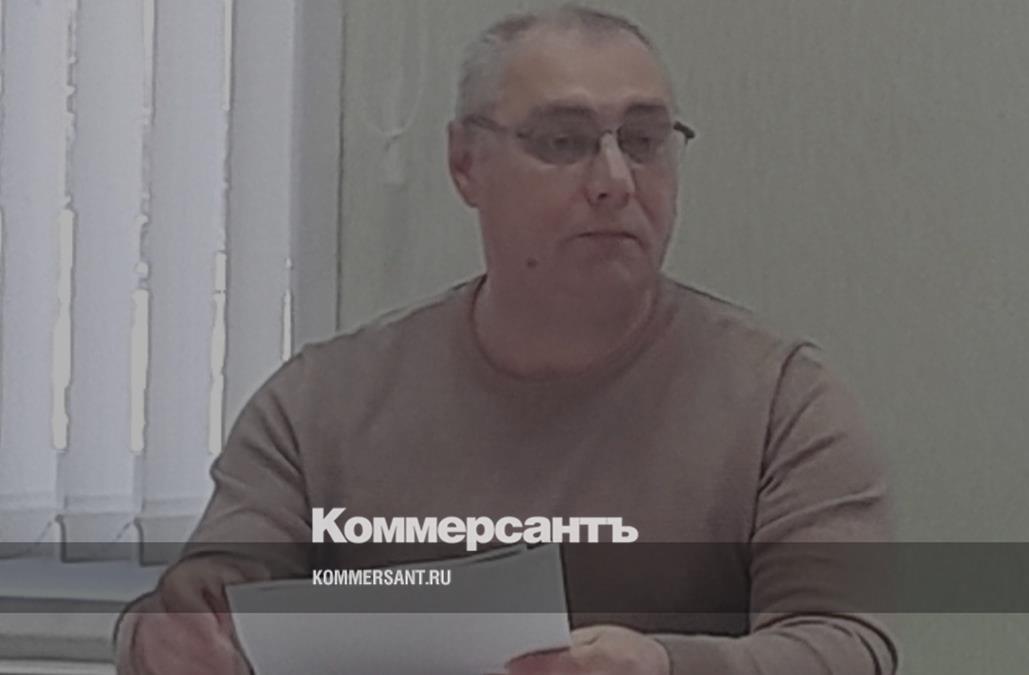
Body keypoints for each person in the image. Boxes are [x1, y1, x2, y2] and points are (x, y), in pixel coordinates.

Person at [115, 4, 897, 674]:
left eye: (645, 140)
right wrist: (171, 637)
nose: (615, 179)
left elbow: (848, 644)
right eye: (563, 141)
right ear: (465, 164)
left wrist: (665, 664)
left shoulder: (780, 398)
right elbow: (189, 609)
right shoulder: (321, 403)